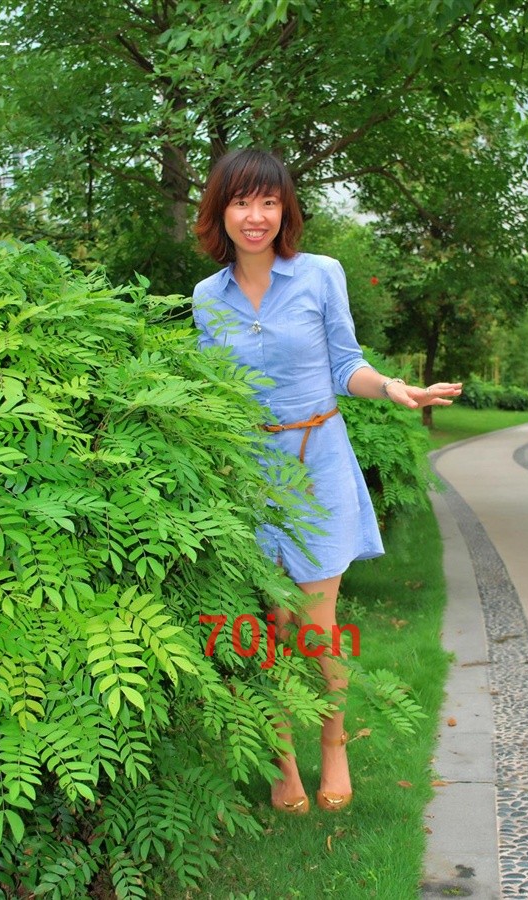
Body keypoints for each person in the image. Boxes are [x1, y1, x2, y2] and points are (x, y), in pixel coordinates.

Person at [192, 148, 462, 815]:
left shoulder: (319, 274)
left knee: (314, 625)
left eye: (268, 202)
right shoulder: (206, 298)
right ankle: (283, 757)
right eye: (241, 202)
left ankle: (334, 743)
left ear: (285, 210)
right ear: (220, 212)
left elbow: (346, 366)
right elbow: (213, 394)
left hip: (318, 464)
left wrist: (392, 387)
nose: (255, 216)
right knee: (267, 624)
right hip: (248, 475)